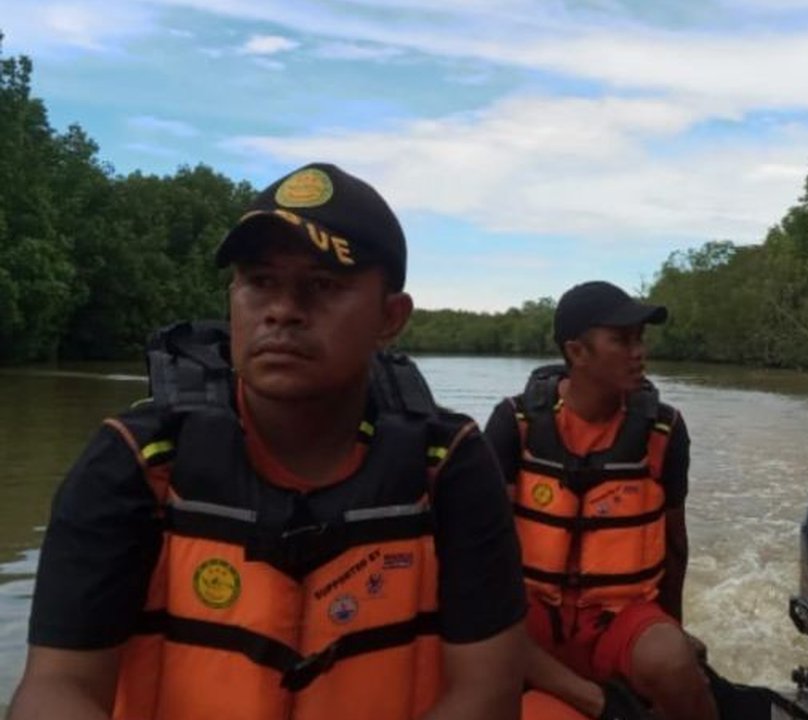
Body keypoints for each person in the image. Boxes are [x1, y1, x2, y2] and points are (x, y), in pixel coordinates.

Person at [6, 163, 526, 720]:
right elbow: (58, 687)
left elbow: (487, 691)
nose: (282, 310)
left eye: (322, 286)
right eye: (259, 282)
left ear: (390, 317)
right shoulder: (135, 464)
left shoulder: (448, 467)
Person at [483, 281, 718, 720]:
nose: (639, 352)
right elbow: (481, 562)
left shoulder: (664, 430)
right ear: (577, 352)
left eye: (640, 339)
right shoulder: (513, 424)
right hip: (530, 619)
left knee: (672, 662)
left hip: (618, 618)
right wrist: (600, 703)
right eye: (622, 340)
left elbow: (675, 547)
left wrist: (673, 631)